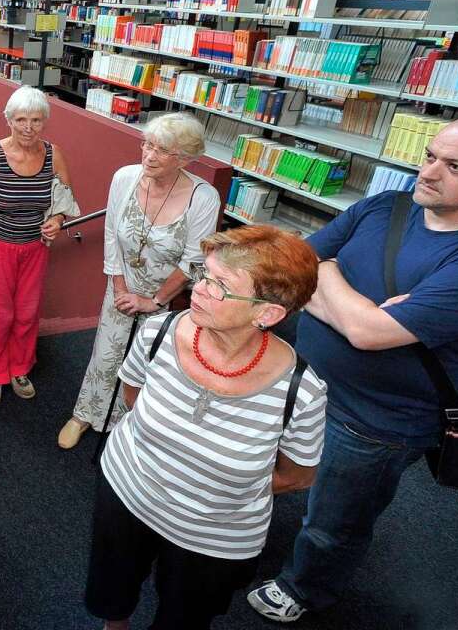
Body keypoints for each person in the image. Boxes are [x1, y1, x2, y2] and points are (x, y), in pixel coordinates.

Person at [247, 113, 458, 623]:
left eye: (455, 166)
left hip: (374, 422)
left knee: (334, 520)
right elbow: (292, 268)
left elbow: (368, 335)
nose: (428, 173)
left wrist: (330, 278)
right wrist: (343, 293)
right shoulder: (386, 207)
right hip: (297, 379)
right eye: (430, 155)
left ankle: (304, 589)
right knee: (263, 469)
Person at [86, 226, 327, 630]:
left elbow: (298, 476)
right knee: (113, 590)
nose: (199, 288)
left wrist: (217, 488)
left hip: (215, 538)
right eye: (204, 275)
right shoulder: (157, 332)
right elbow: (133, 397)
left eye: (220, 285)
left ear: (266, 313)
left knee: (185, 617)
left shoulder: (302, 392)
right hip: (126, 494)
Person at [57, 113, 220, 449]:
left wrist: (155, 301)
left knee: (146, 363)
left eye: (161, 150)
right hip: (123, 285)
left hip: (165, 294)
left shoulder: (203, 198)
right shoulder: (125, 178)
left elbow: (193, 261)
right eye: (147, 145)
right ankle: (86, 413)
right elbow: (111, 237)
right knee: (106, 352)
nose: (148, 155)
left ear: (185, 158)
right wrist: (119, 288)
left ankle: (126, 425)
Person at [0, 85, 72, 406]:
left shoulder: (54, 154)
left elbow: (63, 198)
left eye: (36, 120)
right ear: (8, 120)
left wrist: (59, 219)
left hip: (34, 246)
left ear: (45, 122)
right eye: (21, 119)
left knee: (26, 312)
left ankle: (19, 368)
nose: (28, 127)